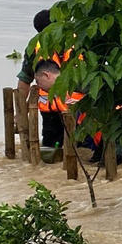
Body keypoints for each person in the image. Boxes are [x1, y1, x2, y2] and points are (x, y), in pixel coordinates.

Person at [17, 9, 71, 150]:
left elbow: (24, 80)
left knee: (58, 148)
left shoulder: (77, 42)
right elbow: (25, 79)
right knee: (56, 148)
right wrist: (22, 112)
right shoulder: (77, 41)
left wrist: (20, 112)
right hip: (56, 109)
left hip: (72, 109)